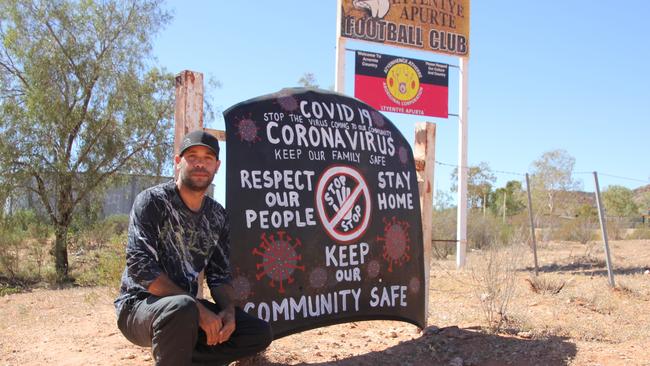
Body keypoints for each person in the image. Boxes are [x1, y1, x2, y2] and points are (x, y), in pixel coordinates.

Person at [114, 130, 272, 365]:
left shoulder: (218, 216)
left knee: (256, 332)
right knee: (183, 307)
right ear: (178, 162)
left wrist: (228, 310)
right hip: (138, 306)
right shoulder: (152, 202)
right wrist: (199, 310)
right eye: (192, 156)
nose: (200, 163)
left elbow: (218, 277)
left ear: (217, 166)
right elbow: (141, 269)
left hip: (185, 309)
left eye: (208, 158)